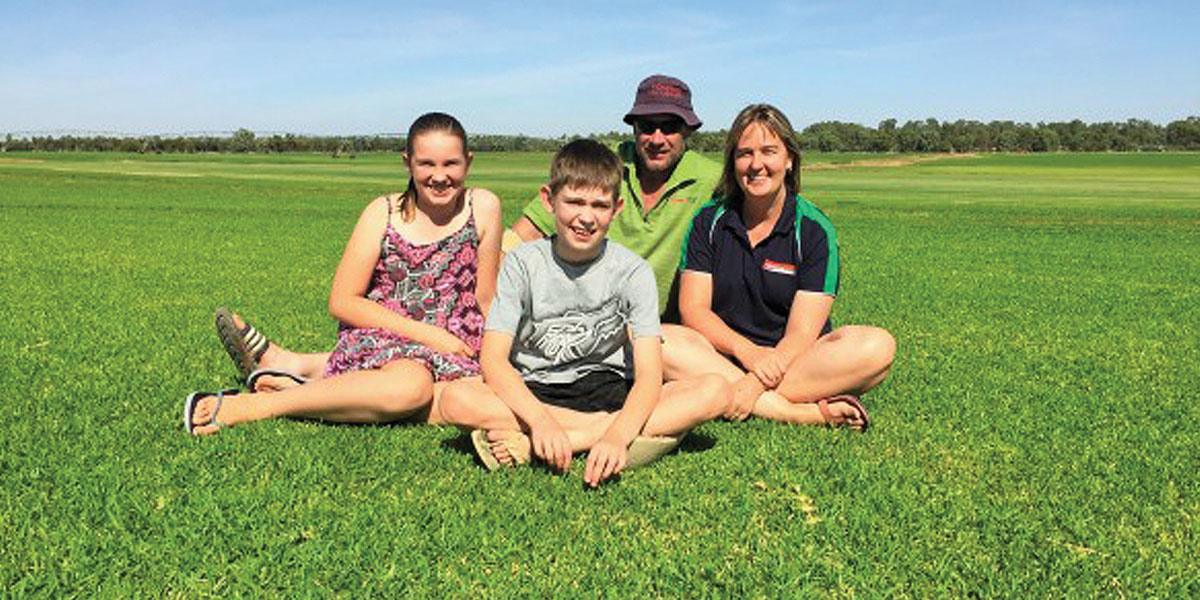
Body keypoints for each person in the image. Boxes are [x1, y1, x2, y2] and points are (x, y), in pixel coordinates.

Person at [214, 74, 724, 392]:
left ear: (689, 130)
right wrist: (504, 301)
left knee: (684, 353)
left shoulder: (710, 179)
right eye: (647, 124)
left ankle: (287, 364)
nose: (657, 135)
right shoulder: (603, 169)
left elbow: (765, 220)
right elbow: (518, 240)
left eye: (670, 125)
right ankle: (284, 374)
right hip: (428, 328)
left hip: (636, 318)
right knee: (445, 378)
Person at [183, 112, 503, 434]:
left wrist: (498, 355)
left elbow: (485, 298)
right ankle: (258, 404)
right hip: (388, 338)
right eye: (426, 164)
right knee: (411, 387)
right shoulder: (384, 212)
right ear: (407, 163)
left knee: (467, 397)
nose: (439, 176)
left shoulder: (483, 207)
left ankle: (291, 372)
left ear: (469, 161)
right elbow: (343, 301)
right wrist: (428, 335)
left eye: (451, 164)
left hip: (456, 347)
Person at [438, 139, 728, 487]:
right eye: (574, 202)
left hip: (608, 387)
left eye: (599, 205)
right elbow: (495, 361)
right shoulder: (521, 263)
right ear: (549, 200)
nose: (586, 217)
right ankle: (605, 433)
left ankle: (562, 442)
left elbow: (650, 374)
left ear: (616, 208)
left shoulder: (633, 272)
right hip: (535, 388)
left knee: (716, 391)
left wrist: (617, 436)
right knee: (456, 399)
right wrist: (540, 419)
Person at [675, 104, 895, 429]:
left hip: (793, 360)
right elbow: (693, 311)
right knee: (660, 341)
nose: (756, 165)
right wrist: (747, 353)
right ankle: (795, 411)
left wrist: (754, 383)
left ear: (789, 160)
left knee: (877, 348)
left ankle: (727, 393)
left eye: (769, 152)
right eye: (744, 153)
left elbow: (803, 333)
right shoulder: (708, 220)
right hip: (723, 354)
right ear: (733, 162)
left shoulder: (813, 229)